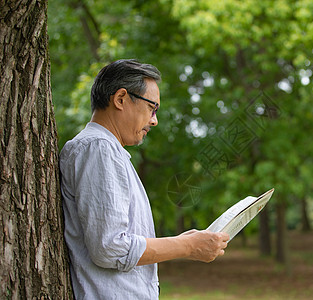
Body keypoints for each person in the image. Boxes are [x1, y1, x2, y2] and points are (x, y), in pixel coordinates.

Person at [59, 59, 229, 299]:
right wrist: (187, 247)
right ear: (120, 99)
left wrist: (181, 240)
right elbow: (110, 248)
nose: (154, 120)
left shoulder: (107, 151)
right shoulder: (99, 149)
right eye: (152, 108)